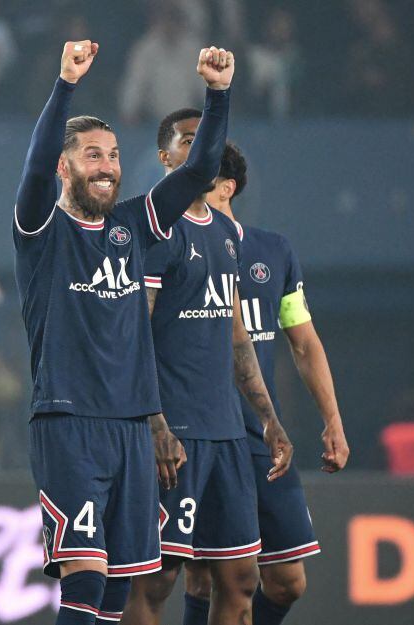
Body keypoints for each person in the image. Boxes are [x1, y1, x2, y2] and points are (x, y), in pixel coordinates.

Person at [14, 40, 233, 624]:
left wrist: (217, 94)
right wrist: (65, 84)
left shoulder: (133, 224)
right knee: (86, 579)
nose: (107, 166)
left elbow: (199, 171)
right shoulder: (41, 230)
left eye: (112, 155)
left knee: (116, 592)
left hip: (132, 427)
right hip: (69, 424)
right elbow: (34, 166)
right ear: (65, 167)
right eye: (92, 155)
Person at [121, 118, 294, 625]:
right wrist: (155, 424)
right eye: (188, 140)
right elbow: (134, 336)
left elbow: (237, 337)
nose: (201, 147)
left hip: (228, 435)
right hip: (177, 434)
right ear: (166, 158)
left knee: (241, 579)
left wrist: (269, 419)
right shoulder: (155, 233)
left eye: (206, 138)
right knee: (157, 579)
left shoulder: (225, 232)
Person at [181, 142, 348, 625]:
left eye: (198, 178)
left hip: (260, 436)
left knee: (287, 581)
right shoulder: (171, 246)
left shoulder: (272, 251)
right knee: (204, 575)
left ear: (226, 188)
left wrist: (332, 420)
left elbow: (304, 342)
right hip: (199, 430)